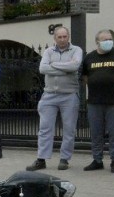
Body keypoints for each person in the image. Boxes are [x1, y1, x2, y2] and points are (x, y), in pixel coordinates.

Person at [26, 26, 83, 171]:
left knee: (69, 129)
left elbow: (75, 66)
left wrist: (54, 65)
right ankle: (41, 159)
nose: (62, 39)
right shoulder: (48, 51)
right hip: (49, 95)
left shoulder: (76, 50)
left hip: (69, 95)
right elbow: (43, 69)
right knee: (45, 129)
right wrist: (65, 69)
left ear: (68, 36)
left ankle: (64, 159)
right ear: (54, 38)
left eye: (65, 36)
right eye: (60, 37)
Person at [81, 29, 114, 173]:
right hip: (94, 101)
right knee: (96, 132)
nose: (108, 41)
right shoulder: (89, 58)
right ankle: (97, 160)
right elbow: (85, 77)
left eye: (110, 39)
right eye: (105, 40)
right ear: (97, 42)